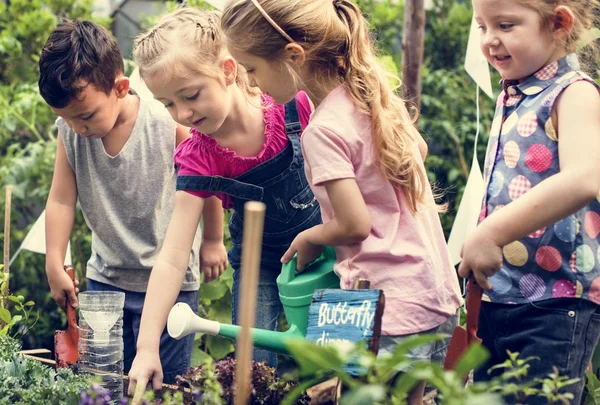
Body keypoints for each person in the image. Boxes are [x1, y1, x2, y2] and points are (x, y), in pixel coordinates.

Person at [221, 1, 463, 404]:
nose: (250, 82)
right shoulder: (372, 97)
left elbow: (353, 223)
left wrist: (312, 235)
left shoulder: (323, 129)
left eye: (251, 69)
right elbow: (417, 150)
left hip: (384, 308)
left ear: (293, 56)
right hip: (430, 293)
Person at [127, 7, 320, 393]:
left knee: (332, 360)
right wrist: (146, 347)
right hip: (259, 263)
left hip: (326, 251)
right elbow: (172, 255)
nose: (181, 113)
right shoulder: (199, 156)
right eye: (167, 104)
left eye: (191, 95)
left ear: (229, 70)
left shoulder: (293, 105)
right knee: (252, 367)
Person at [39, 19, 215, 383]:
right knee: (102, 383)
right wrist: (54, 263)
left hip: (171, 283)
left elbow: (205, 179)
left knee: (166, 385)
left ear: (120, 88)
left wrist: (212, 240)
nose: (77, 127)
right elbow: (59, 201)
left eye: (86, 116)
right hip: (107, 279)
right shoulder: (70, 134)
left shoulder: (166, 124)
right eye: (67, 119)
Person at [456, 0, 600, 402]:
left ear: (558, 23)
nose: (489, 41)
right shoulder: (515, 94)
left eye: (504, 25)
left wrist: (491, 233)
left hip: (553, 304)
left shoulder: (574, 94)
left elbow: (584, 178)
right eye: (481, 26)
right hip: (503, 296)